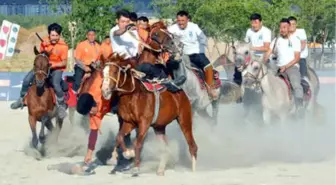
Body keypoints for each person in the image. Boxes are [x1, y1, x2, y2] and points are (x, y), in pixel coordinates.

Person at [11, 23, 69, 118]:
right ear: (49, 34)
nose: (54, 38)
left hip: (57, 69)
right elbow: (40, 57)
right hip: (42, 67)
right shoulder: (44, 42)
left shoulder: (64, 47)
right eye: (52, 35)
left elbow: (64, 63)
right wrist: (44, 51)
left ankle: (61, 107)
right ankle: (21, 100)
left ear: (59, 35)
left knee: (56, 84)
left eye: (56, 36)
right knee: (26, 80)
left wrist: (52, 64)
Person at [167, 10, 216, 98]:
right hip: (181, 55)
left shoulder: (194, 27)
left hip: (196, 53)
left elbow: (203, 38)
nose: (181, 23)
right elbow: (165, 35)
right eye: (179, 21)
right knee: (168, 65)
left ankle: (210, 88)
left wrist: (202, 46)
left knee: (209, 67)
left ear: (188, 20)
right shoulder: (172, 28)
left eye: (183, 21)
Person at [264, 18, 304, 113]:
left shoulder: (295, 40)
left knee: (296, 84)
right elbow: (268, 53)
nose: (282, 29)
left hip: (291, 67)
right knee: (264, 81)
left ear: (289, 27)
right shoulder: (276, 40)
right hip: (277, 67)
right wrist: (263, 60)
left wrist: (285, 67)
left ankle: (299, 107)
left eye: (284, 27)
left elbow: (297, 58)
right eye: (281, 27)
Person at [72, 29, 101, 94]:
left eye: (93, 35)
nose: (91, 36)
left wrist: (95, 66)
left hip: (93, 67)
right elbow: (77, 59)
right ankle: (74, 94)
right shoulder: (81, 45)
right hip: (81, 66)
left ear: (95, 36)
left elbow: (99, 60)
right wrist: (85, 67)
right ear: (87, 36)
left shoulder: (98, 46)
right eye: (90, 35)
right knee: (77, 81)